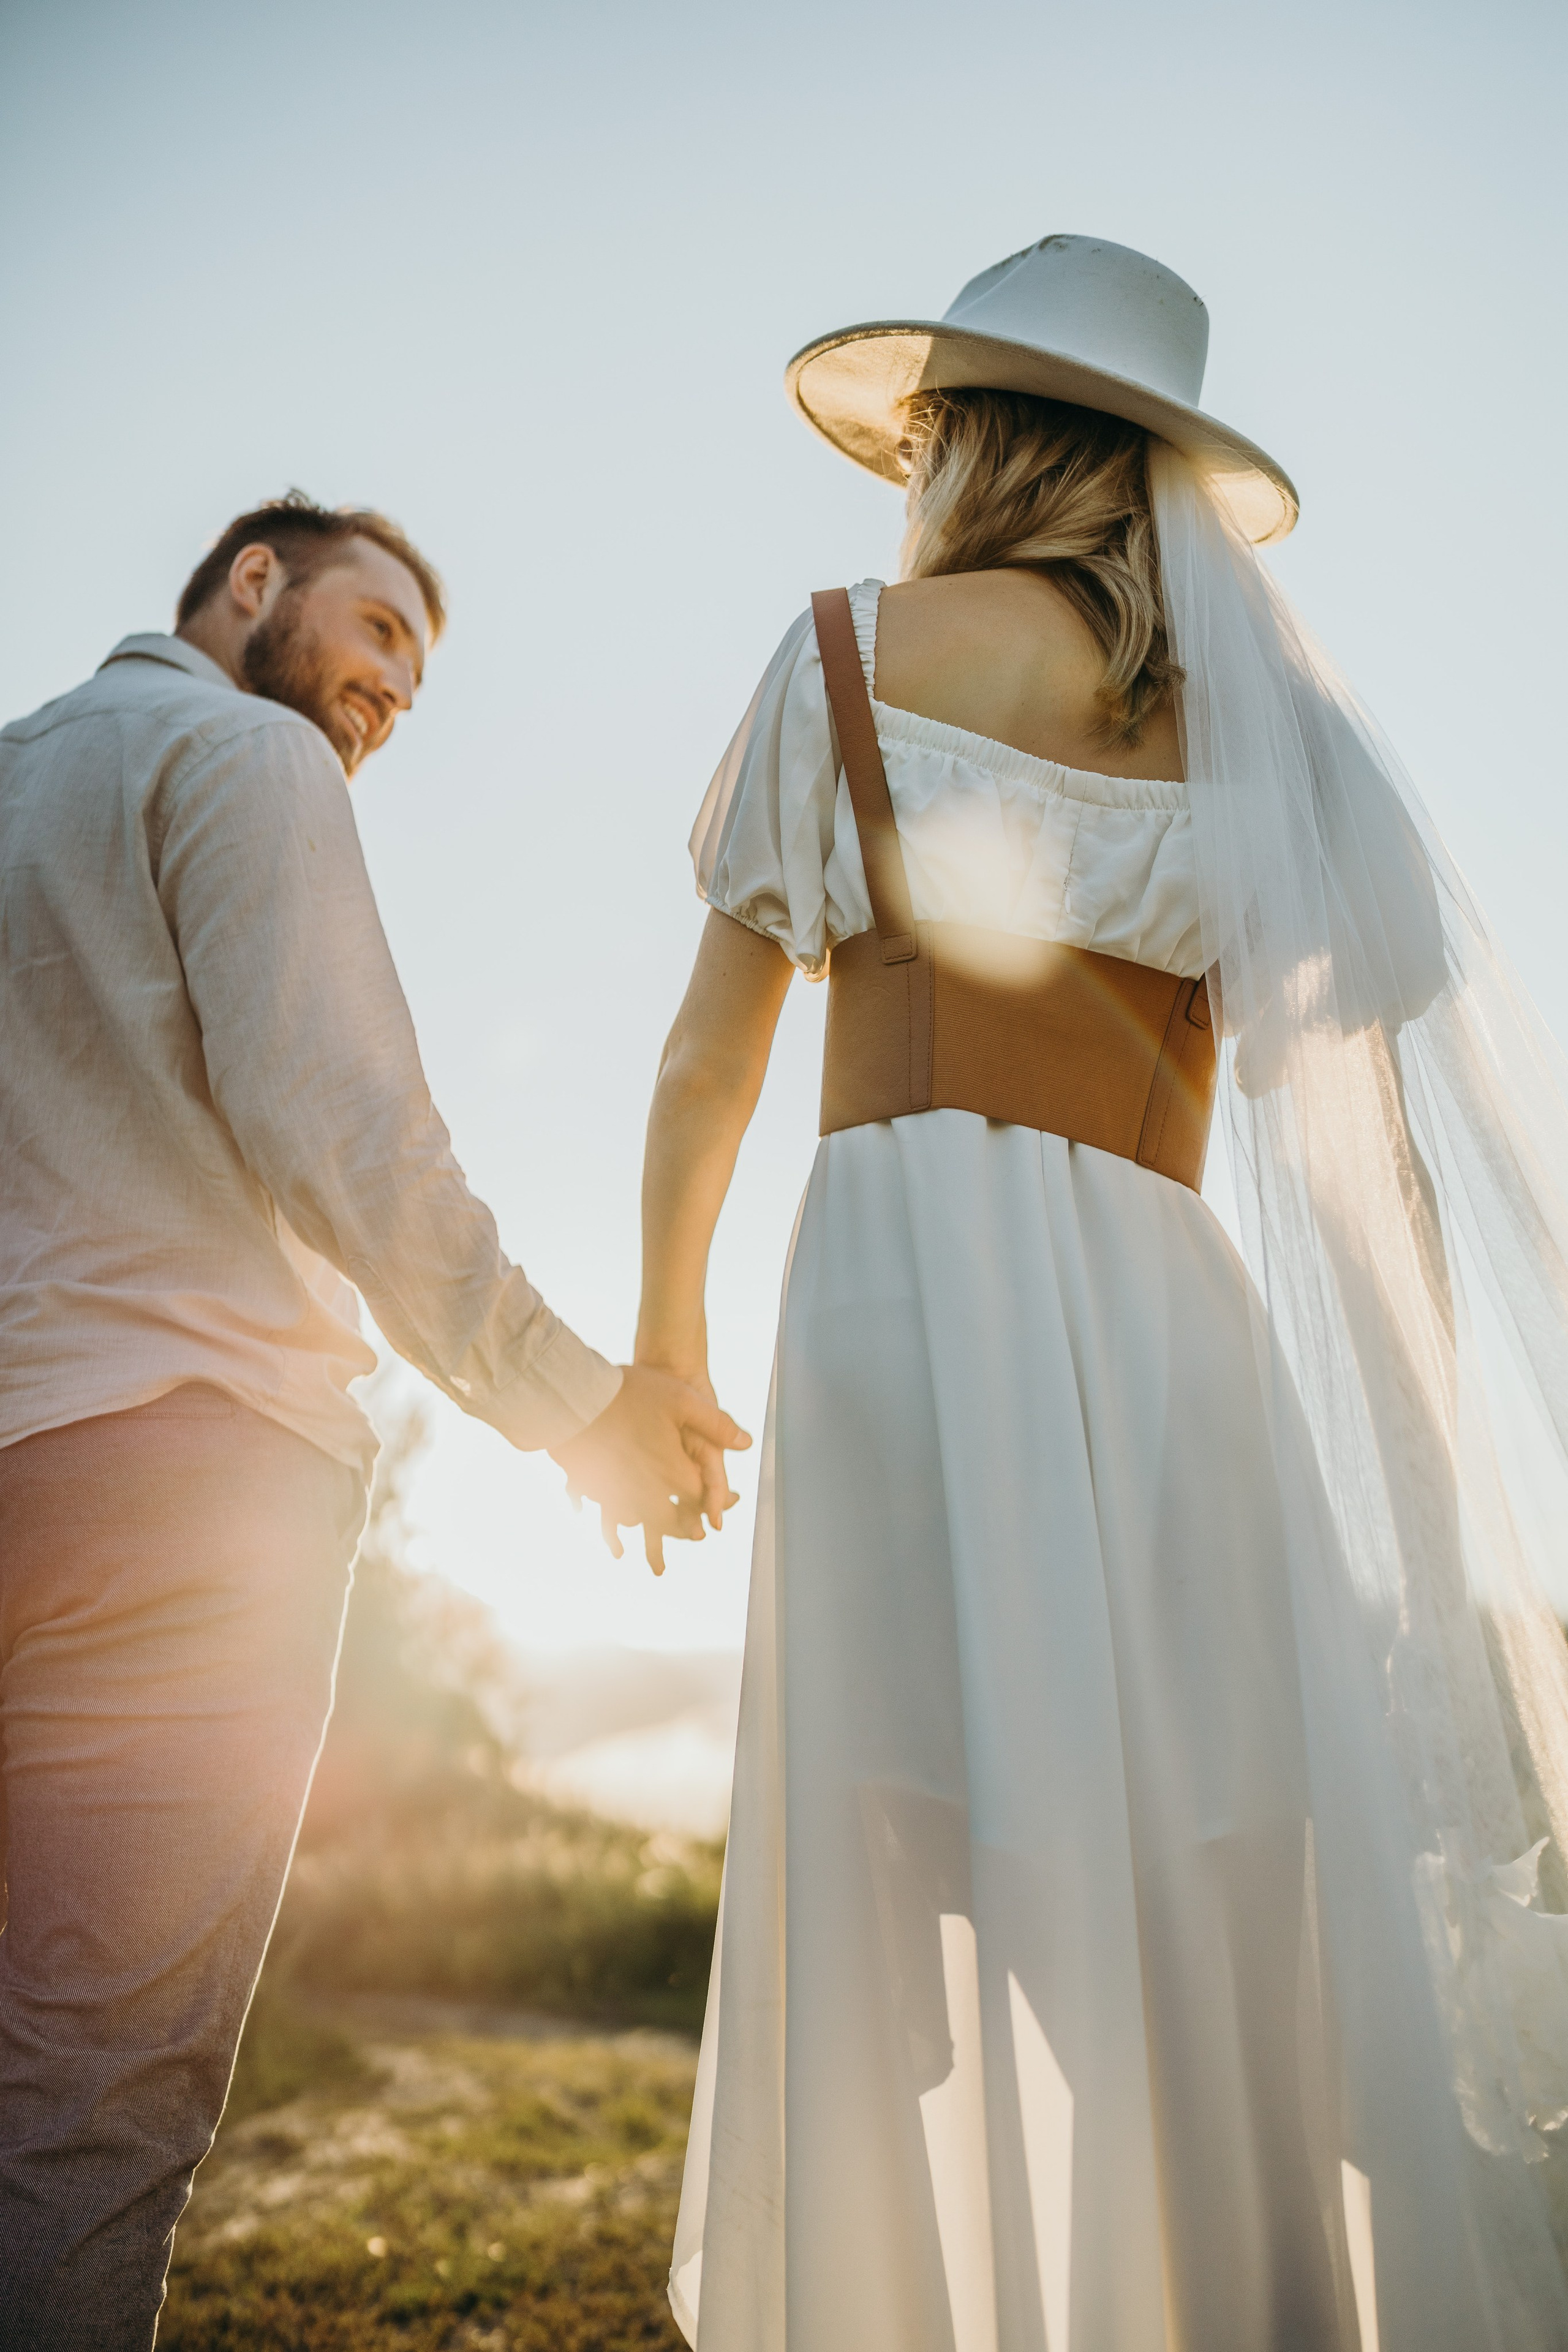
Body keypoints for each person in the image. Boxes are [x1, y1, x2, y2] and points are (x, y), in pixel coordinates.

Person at [643, 237, 1568, 2349]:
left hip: (897, 1318)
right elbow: (1377, 1159)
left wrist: (666, 1346)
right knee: (1209, 1901)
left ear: (972, 438)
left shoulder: (846, 657)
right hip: (1167, 1333)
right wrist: (1423, 1470)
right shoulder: (1271, 739)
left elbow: (710, 1062)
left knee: (912, 1861)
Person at [0, 492, 746, 2350]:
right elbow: (349, 1137)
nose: (396, 690)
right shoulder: (245, 760)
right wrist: (582, 1406)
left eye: (417, 672)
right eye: (380, 627)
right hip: (187, 1504)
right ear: (252, 582)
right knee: (86, 2103)